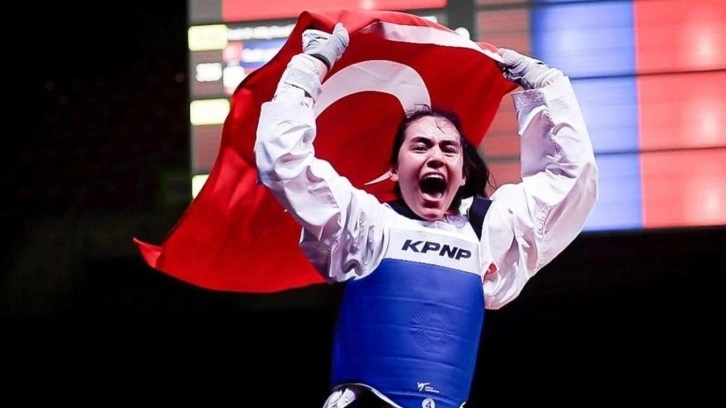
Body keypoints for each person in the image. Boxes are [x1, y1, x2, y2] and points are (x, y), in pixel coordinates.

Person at [254, 22, 598, 408]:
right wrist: (310, 66)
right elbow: (283, 160)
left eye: (449, 149)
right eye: (421, 146)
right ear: (394, 170)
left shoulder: (487, 236)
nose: (436, 155)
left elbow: (573, 179)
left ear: (463, 174)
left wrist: (548, 87)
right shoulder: (365, 226)